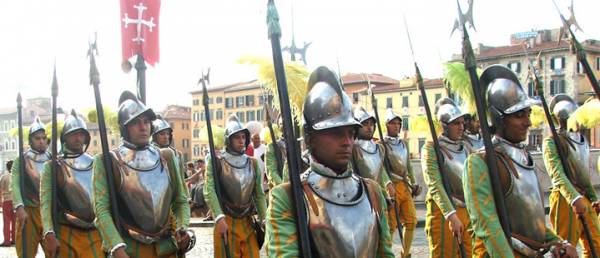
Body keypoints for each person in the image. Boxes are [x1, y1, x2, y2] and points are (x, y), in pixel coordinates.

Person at [265, 66, 394, 257]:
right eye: (335, 133)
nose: (346, 142)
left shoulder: (373, 192)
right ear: (311, 137)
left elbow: (385, 253)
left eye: (350, 133)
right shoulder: (288, 197)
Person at [463, 65, 577, 257]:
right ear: (499, 118)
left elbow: (535, 225)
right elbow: (488, 228)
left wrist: (557, 243)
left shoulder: (524, 158)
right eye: (519, 115)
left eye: (528, 113)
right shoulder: (479, 162)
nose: (528, 122)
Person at [92, 91, 192, 258]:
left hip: (166, 246)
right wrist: (117, 247)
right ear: (125, 127)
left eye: (146, 121)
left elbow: (180, 201)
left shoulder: (166, 156)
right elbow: (102, 211)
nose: (143, 127)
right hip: (130, 248)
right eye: (135, 122)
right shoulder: (107, 161)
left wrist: (182, 227)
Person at [40, 109, 103, 258]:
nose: (78, 138)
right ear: (64, 137)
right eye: (73, 134)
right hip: (66, 232)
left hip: (95, 232)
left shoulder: (96, 163)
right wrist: (49, 232)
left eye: (81, 134)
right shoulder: (53, 166)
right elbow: (46, 203)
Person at [543, 94, 600, 257]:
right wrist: (574, 198)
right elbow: (557, 175)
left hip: (584, 197)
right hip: (565, 200)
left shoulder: (581, 140)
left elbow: (584, 175)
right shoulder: (552, 141)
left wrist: (592, 197)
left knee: (596, 246)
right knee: (566, 249)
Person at [204, 115, 267, 258]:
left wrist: (264, 219)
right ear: (228, 140)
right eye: (237, 137)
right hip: (226, 220)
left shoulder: (253, 163)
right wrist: (219, 218)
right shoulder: (217, 163)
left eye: (243, 137)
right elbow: (209, 191)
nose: (241, 140)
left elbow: (258, 194)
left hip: (247, 222)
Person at [421, 98, 472, 258]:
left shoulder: (466, 147)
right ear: (444, 125)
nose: (461, 127)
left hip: (466, 210)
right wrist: (451, 215)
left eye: (462, 123)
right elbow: (434, 184)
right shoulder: (431, 148)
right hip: (443, 213)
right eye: (456, 123)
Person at [12, 117, 52, 257]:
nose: (41, 141)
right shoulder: (21, 160)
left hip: (49, 212)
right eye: (37, 138)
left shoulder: (53, 159)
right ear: (30, 140)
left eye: (43, 138)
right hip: (29, 212)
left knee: (54, 252)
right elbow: (15, 184)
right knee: (26, 253)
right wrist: (20, 207)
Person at [383, 108, 420, 257]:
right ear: (387, 125)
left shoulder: (404, 143)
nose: (397, 126)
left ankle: (405, 253)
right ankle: (387, 254)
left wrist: (414, 182)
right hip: (392, 187)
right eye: (393, 123)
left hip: (405, 186)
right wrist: (387, 184)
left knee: (411, 221)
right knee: (391, 225)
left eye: (399, 123)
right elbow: (382, 168)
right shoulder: (382, 144)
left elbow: (408, 166)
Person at [0, 160, 15, 246]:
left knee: (6, 221)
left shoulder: (4, 177)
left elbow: (0, 189)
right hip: (16, 201)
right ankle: (14, 239)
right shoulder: (17, 176)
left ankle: (7, 241)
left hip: (6, 200)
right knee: (15, 221)